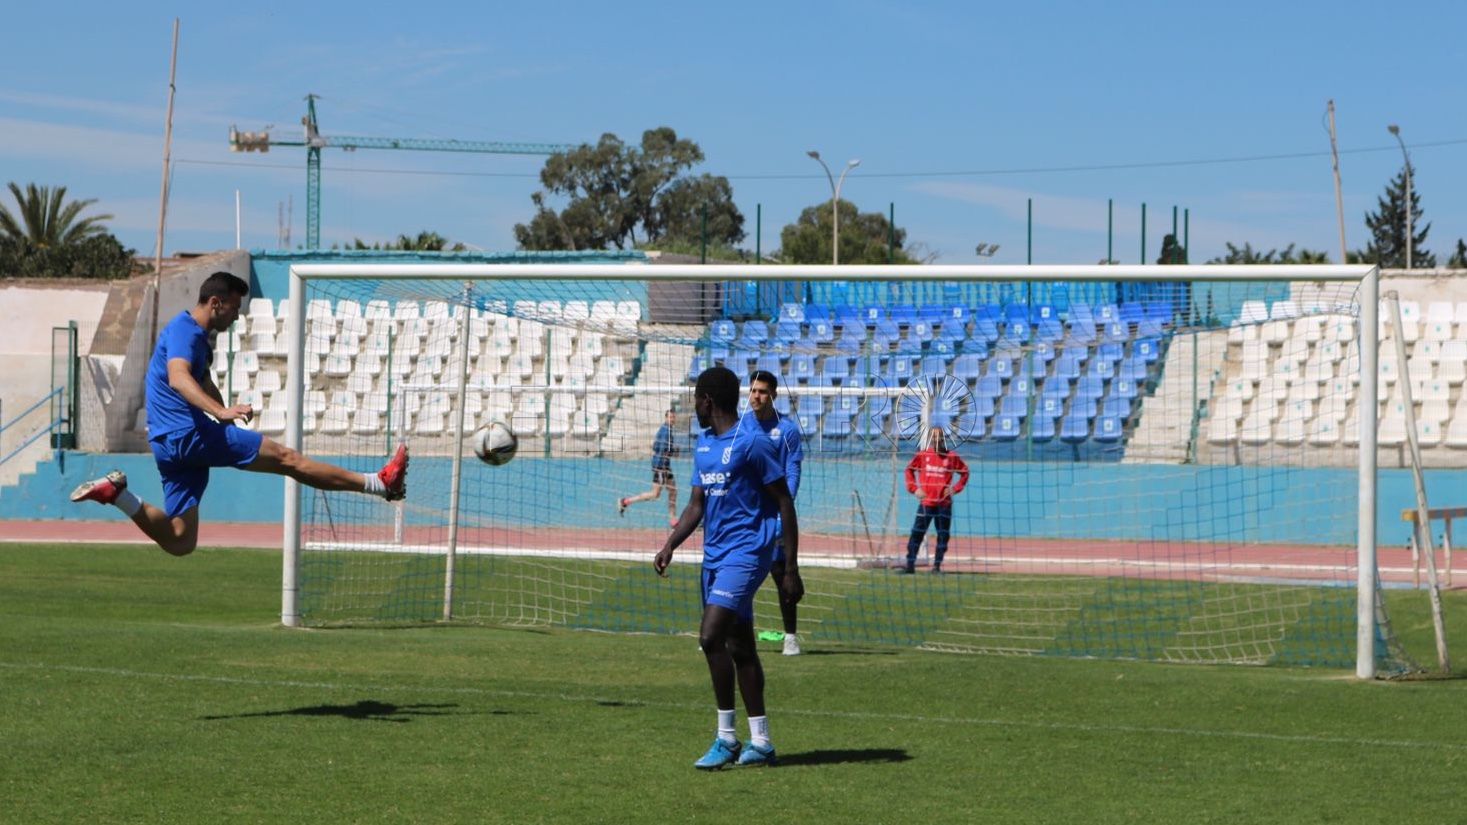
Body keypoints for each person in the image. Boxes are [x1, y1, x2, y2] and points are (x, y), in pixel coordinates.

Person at [70, 271, 409, 555]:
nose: (237, 316)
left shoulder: (193, 336)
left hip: (168, 443)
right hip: (187, 435)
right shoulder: (186, 331)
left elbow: (199, 379)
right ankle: (378, 483)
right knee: (287, 459)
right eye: (234, 307)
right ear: (216, 303)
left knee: (179, 540)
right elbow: (179, 378)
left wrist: (224, 413)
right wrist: (220, 410)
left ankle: (118, 494)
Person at [654, 366, 801, 770]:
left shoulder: (752, 443)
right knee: (741, 647)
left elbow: (785, 503)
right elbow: (696, 505)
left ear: (708, 401)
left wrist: (790, 567)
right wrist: (670, 544)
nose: (694, 408)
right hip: (714, 556)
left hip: (747, 553)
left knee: (709, 636)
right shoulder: (704, 445)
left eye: (696, 401)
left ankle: (726, 739)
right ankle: (763, 743)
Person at [741, 370, 805, 656]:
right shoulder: (741, 426)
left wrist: (784, 508)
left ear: (774, 395)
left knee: (782, 575)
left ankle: (790, 637)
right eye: (753, 391)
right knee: (738, 574)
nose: (757, 396)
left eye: (763, 391)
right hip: (746, 513)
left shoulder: (788, 429)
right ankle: (730, 632)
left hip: (775, 511)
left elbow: (792, 469)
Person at [899, 427, 969, 574]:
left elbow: (964, 473)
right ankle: (910, 565)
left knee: (943, 535)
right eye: (934, 439)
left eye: (940, 438)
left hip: (944, 504)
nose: (937, 441)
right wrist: (914, 488)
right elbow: (909, 470)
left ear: (944, 439)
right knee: (917, 533)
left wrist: (954, 489)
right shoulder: (923, 455)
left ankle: (936, 566)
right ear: (931, 440)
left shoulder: (951, 457)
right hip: (926, 503)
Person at [619, 408, 679, 527]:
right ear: (666, 418)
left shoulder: (663, 430)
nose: (672, 419)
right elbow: (664, 450)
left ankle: (673, 520)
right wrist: (673, 452)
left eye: (673, 417)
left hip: (663, 465)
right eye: (670, 417)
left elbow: (655, 446)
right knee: (655, 494)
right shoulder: (666, 431)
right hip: (661, 466)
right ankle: (626, 501)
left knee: (673, 490)